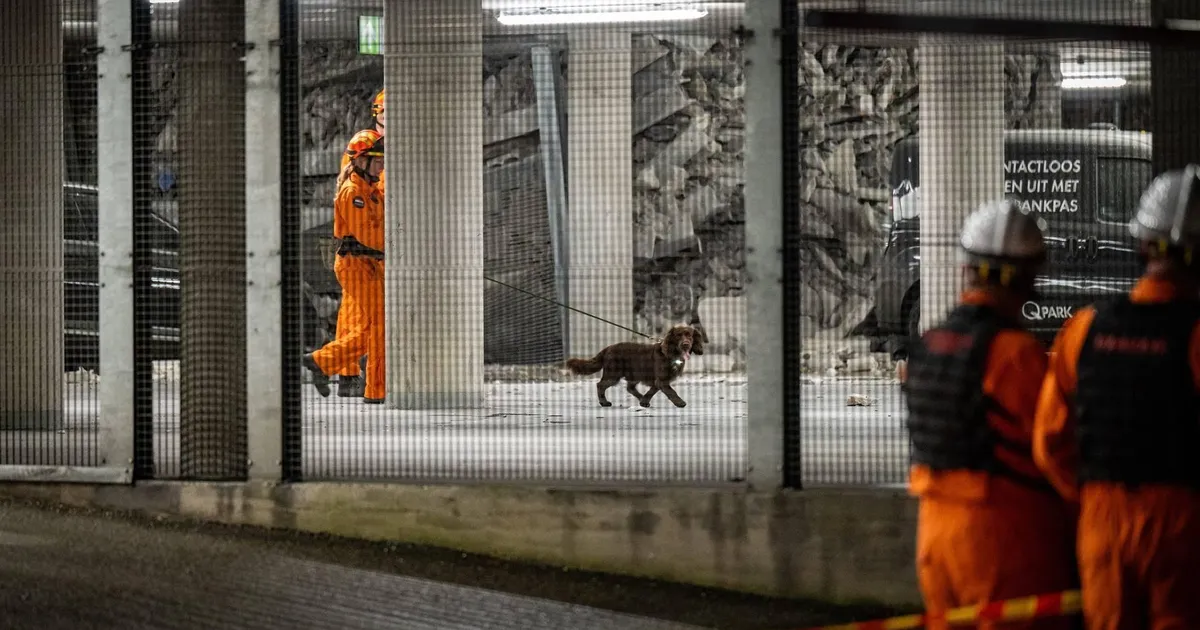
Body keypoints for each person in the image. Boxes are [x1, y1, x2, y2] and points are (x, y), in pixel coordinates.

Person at [1034, 166, 1200, 630]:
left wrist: (1092, 497)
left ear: (1141, 245)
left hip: (1101, 518)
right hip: (1182, 522)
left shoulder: (1084, 329)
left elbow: (1049, 443)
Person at [903, 199, 1079, 630]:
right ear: (1028, 278)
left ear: (966, 268)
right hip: (1004, 541)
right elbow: (1056, 448)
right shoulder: (1016, 355)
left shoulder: (927, 346)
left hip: (934, 538)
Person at [304, 129, 387, 405]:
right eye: (377, 161)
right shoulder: (353, 193)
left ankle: (322, 362)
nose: (381, 166)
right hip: (356, 265)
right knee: (380, 325)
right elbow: (369, 235)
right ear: (361, 161)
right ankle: (375, 390)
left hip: (369, 264)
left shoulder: (371, 191)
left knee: (371, 326)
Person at [330, 88, 387, 397]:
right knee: (359, 314)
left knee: (371, 320)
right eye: (385, 111)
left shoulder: (383, 149)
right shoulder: (364, 147)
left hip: (377, 248)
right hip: (364, 249)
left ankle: (336, 367)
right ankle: (346, 373)